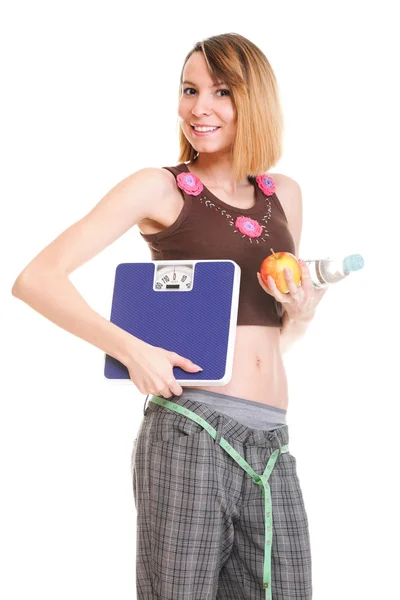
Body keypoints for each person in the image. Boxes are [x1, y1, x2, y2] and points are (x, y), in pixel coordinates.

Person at [12, 33, 328, 600]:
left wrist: (301, 314)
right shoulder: (159, 187)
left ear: (255, 100)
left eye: (221, 91)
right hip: (191, 431)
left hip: (273, 442)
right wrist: (134, 351)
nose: (198, 107)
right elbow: (36, 279)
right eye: (189, 89)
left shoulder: (286, 196)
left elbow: (273, 339)